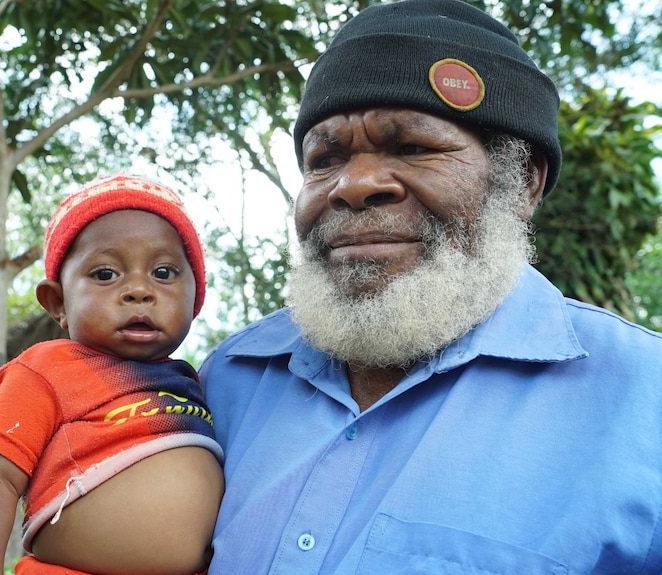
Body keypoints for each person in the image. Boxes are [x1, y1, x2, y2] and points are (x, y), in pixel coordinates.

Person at [200, 1, 662, 573]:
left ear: (524, 182)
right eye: (325, 158)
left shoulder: (645, 399)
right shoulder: (224, 383)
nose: (355, 184)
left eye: (414, 148)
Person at [0, 174, 224, 575]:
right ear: (57, 302)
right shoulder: (47, 368)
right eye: (105, 274)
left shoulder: (197, 383)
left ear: (195, 296)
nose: (138, 290)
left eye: (163, 273)